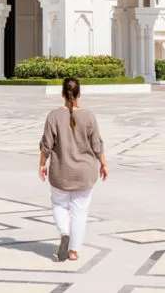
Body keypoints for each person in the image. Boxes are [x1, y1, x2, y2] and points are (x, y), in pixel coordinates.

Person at [38, 77, 108, 262]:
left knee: (60, 205)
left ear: (62, 94)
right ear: (79, 94)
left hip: (61, 171)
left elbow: (46, 144)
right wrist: (103, 164)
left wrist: (42, 164)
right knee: (80, 212)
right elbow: (97, 144)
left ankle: (64, 234)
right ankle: (73, 251)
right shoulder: (89, 116)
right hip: (85, 172)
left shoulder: (53, 116)